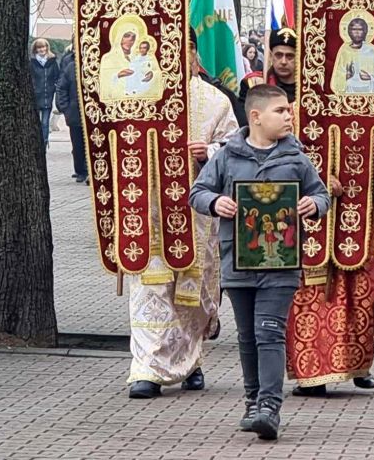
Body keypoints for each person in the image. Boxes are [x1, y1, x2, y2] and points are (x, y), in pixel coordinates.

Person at [189, 84, 329, 440]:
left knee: (270, 331)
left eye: (288, 110)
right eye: (280, 111)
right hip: (238, 260)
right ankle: (252, 400)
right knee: (248, 335)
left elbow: (320, 193)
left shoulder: (296, 158)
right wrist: (214, 203)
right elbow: (198, 192)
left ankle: (270, 406)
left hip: (282, 261)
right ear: (256, 117)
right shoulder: (226, 156)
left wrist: (314, 206)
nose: (288, 116)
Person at [125, 35, 239, 399]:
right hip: (150, 207)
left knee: (194, 291)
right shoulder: (139, 94)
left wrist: (209, 151)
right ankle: (147, 367)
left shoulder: (214, 100)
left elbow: (234, 146)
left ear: (192, 53)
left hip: (196, 210)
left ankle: (191, 359)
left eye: (183, 50)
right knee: (151, 285)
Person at [54, 40, 88, 183]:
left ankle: (92, 171)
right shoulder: (71, 67)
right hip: (74, 111)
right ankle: (81, 171)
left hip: (93, 114)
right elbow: (62, 88)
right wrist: (65, 108)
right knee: (78, 143)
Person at [329, 15, 374, 95]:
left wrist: (370, 77)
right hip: (349, 89)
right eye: (354, 29)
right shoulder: (344, 50)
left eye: (360, 29)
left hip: (368, 89)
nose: (357, 32)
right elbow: (337, 77)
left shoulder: (371, 50)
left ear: (365, 31)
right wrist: (346, 76)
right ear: (349, 31)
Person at [30, 38, 59, 148]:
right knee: (35, 123)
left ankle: (44, 143)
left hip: (48, 96)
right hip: (35, 96)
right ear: (35, 49)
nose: (42, 49)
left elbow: (57, 77)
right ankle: (35, 144)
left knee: (45, 123)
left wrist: (54, 88)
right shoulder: (32, 63)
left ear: (47, 48)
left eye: (43, 47)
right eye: (39, 47)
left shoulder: (52, 62)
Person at [264, 28, 297, 103]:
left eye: (290, 56)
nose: (283, 62)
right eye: (278, 55)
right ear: (271, 56)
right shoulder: (255, 83)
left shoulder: (309, 87)